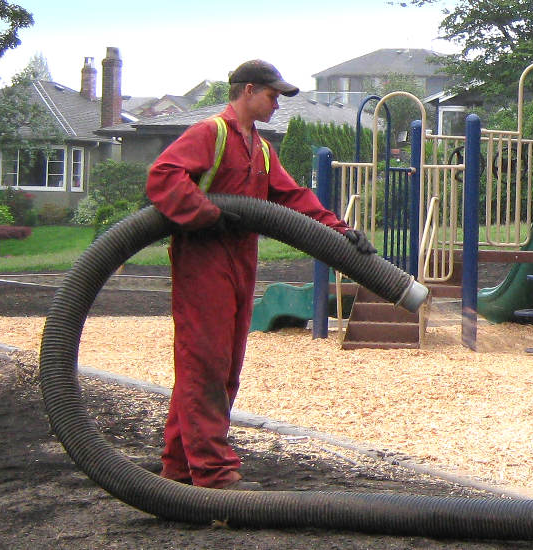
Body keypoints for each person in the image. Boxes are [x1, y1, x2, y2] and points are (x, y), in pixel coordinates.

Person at [144, 59, 376, 489]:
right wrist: (207, 212)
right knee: (205, 364)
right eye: (272, 96)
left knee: (223, 365)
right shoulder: (211, 134)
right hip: (204, 258)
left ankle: (178, 469)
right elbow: (163, 176)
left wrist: (341, 231)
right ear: (247, 90)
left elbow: (293, 198)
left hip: (241, 259)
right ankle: (214, 476)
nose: (276, 104)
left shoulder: (262, 149)